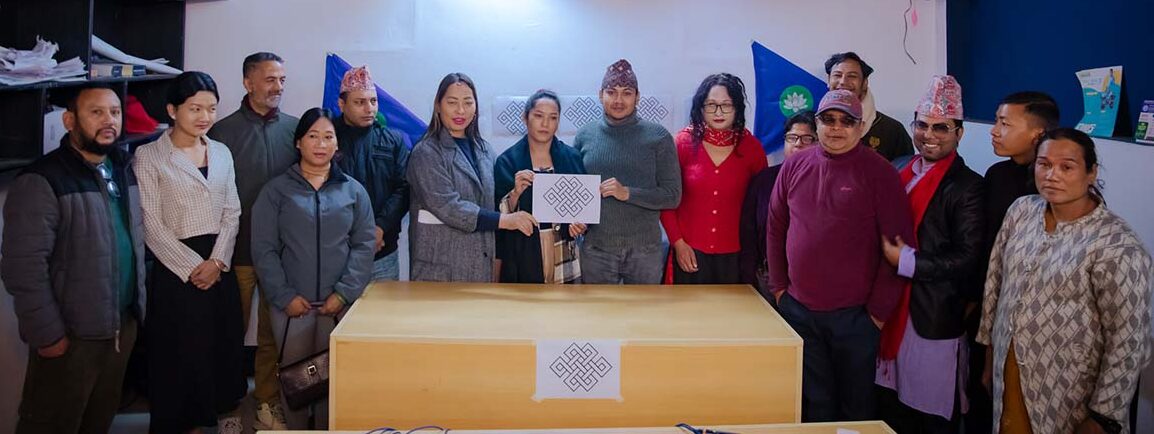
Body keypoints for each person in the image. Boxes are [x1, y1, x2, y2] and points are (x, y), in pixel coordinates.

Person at [977, 128, 1151, 434]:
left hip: (1070, 390)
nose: (1052, 175)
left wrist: (1103, 416)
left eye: (1067, 167)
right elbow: (995, 282)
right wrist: (990, 353)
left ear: (1091, 173)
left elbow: (1129, 339)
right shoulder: (1021, 211)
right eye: (1044, 164)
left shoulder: (1117, 244)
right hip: (1010, 368)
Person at [2, 83, 146, 434]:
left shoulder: (123, 167)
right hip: (71, 334)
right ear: (69, 121)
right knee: (52, 423)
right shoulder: (42, 179)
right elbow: (23, 268)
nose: (109, 120)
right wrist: (48, 334)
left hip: (120, 326)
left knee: (98, 420)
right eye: (96, 112)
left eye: (114, 112)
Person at [766, 89, 913, 422]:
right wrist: (779, 289)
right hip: (799, 311)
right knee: (812, 405)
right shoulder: (795, 165)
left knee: (855, 409)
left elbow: (899, 248)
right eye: (828, 119)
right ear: (817, 123)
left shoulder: (881, 173)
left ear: (861, 127)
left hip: (856, 318)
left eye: (847, 121)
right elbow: (775, 228)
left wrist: (876, 315)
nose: (836, 128)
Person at [134, 71, 245, 433]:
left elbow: (232, 211)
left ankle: (220, 419)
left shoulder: (221, 152)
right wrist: (194, 267)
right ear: (172, 110)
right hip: (177, 271)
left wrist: (217, 261)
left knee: (221, 347)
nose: (204, 116)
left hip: (218, 264)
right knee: (181, 356)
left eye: (211, 108)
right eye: (195, 108)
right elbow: (150, 223)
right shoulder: (150, 156)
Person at [250, 107, 376, 429]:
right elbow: (264, 249)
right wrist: (284, 296)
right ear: (298, 142)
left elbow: (363, 245)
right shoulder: (276, 191)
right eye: (313, 136)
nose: (321, 144)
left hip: (337, 306)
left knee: (332, 378)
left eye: (328, 137)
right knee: (296, 380)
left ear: (337, 143)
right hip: (292, 307)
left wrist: (343, 293)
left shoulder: (353, 190)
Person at [875, 75, 986, 433]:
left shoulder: (968, 186)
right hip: (887, 308)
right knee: (889, 409)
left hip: (932, 315)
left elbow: (968, 257)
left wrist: (906, 261)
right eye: (922, 125)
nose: (929, 135)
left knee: (930, 415)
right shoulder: (898, 167)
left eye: (941, 127)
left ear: (959, 133)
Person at [206, 51, 296, 430]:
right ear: (248, 82)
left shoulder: (295, 130)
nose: (278, 87)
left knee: (273, 335)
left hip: (281, 255)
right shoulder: (221, 133)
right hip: (237, 252)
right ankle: (226, 405)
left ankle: (267, 402)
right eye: (270, 79)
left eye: (282, 80)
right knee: (228, 333)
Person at [966, 91, 1060, 434]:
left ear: (1037, 133)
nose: (994, 131)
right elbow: (986, 248)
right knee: (982, 397)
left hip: (1038, 321)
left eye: (1004, 123)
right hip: (989, 309)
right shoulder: (996, 175)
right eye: (996, 121)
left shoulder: (1056, 191)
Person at [407, 73, 537, 282]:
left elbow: (492, 203)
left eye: (468, 102)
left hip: (480, 266)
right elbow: (449, 207)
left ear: (475, 107)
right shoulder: (426, 152)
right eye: (452, 102)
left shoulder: (485, 150)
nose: (461, 110)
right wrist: (506, 221)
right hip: (439, 271)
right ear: (438, 106)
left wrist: (514, 193)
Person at [574, 59, 681, 284]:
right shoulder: (584, 136)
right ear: (600, 95)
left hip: (645, 251)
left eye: (627, 93)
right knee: (596, 307)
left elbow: (672, 196)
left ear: (638, 97)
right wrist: (575, 219)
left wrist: (627, 193)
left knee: (643, 308)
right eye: (611, 92)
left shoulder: (658, 137)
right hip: (596, 249)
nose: (618, 100)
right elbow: (576, 192)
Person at [661, 73, 766, 284]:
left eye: (726, 105)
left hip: (736, 257)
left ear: (737, 108)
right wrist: (678, 243)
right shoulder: (682, 143)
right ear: (701, 107)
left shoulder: (752, 148)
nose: (718, 112)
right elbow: (666, 199)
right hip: (689, 253)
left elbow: (761, 204)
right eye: (711, 105)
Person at [493, 89, 587, 283]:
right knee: (527, 299)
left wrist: (581, 224)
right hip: (523, 248)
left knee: (564, 300)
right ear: (525, 117)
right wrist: (515, 193)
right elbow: (498, 215)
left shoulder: (572, 157)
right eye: (538, 116)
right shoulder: (508, 160)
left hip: (563, 246)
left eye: (553, 118)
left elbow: (584, 207)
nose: (545, 124)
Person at [334, 66, 412, 281]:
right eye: (359, 102)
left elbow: (403, 189)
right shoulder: (328, 140)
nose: (369, 108)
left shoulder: (393, 140)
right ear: (342, 104)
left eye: (373, 101)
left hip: (383, 250)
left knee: (385, 304)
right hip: (337, 253)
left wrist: (380, 228)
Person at [739, 110, 816, 300]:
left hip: (810, 280)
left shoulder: (826, 182)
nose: (798, 144)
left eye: (807, 138)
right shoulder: (764, 180)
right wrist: (748, 279)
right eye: (792, 137)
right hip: (767, 277)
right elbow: (748, 232)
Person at [824, 52, 913, 161]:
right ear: (828, 80)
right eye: (837, 75)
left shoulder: (892, 130)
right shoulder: (816, 124)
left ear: (865, 83)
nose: (843, 82)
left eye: (852, 76)